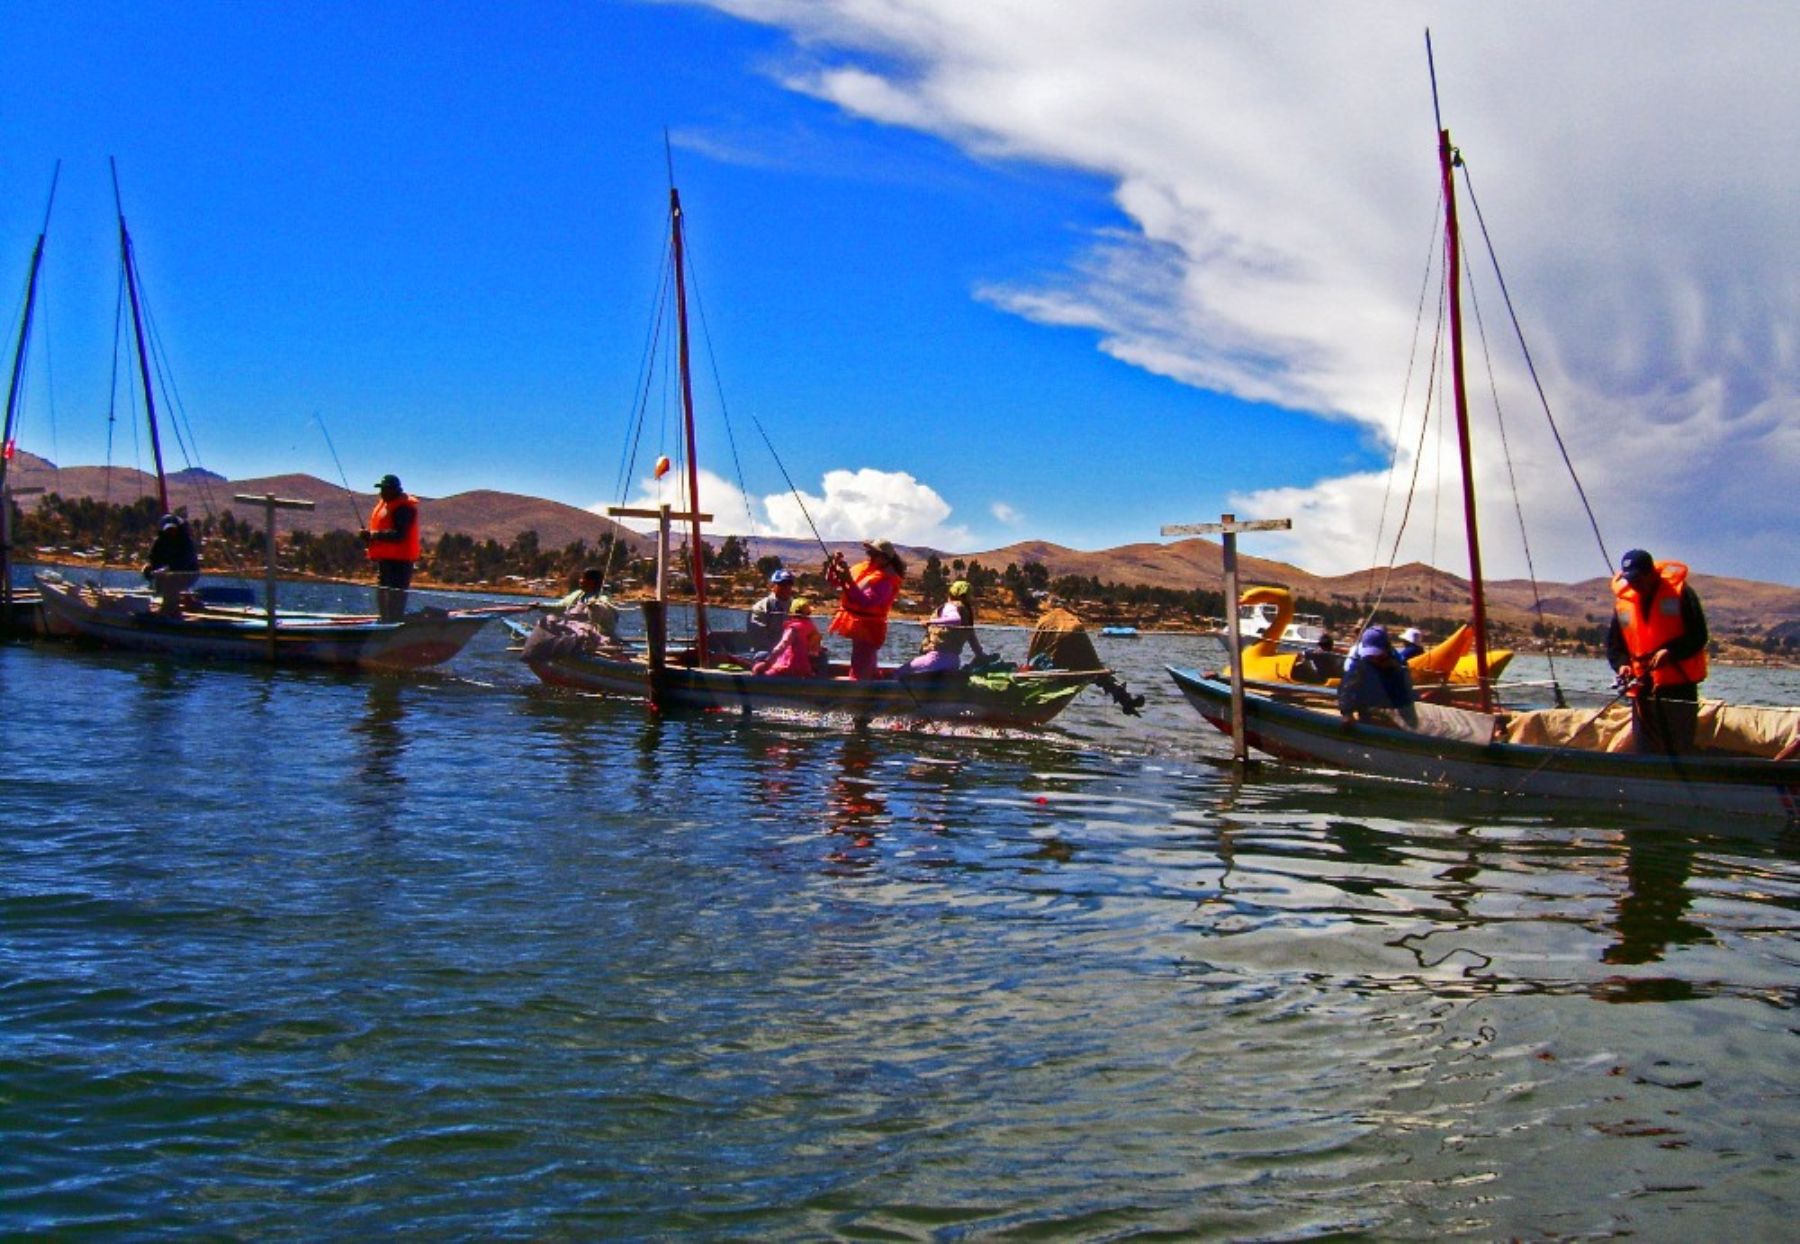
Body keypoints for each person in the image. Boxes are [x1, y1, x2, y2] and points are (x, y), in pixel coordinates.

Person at [1606, 547, 1709, 756]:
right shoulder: (1623, 603)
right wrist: (1622, 664)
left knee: (1678, 748)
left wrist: (1671, 652)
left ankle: (1679, 784)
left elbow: (1698, 635)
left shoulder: (1680, 593)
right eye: (1630, 580)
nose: (1635, 584)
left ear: (1651, 573)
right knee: (1645, 748)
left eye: (1639, 579)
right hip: (1641, 688)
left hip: (1678, 686)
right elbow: (1615, 645)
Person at [826, 539, 905, 681]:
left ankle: (859, 689)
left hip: (870, 627)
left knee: (861, 660)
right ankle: (872, 679)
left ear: (885, 558)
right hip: (858, 623)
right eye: (869, 553)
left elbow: (866, 602)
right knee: (862, 657)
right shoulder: (865, 568)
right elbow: (833, 581)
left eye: (874, 554)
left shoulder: (887, 579)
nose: (870, 557)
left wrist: (849, 580)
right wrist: (834, 565)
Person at [362, 473, 420, 623]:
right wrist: (369, 537)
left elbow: (399, 534)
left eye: (385, 489)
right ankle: (384, 622)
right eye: (381, 489)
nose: (381, 493)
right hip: (385, 560)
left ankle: (392, 624)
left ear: (395, 490)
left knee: (394, 598)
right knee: (382, 594)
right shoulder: (385, 505)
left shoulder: (403, 508)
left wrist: (374, 535)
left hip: (400, 562)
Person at [1337, 625, 1419, 727]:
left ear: (1386, 649)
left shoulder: (1398, 667)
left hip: (1393, 713)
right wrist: (1347, 713)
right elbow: (1347, 688)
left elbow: (1406, 699)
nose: (1373, 658)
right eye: (1370, 655)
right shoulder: (1361, 665)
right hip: (1368, 712)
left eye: (1378, 655)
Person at [901, 578, 987, 676]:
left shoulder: (950, 606)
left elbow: (955, 619)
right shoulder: (966, 615)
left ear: (951, 592)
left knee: (899, 673)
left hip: (936, 660)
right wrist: (981, 656)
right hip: (954, 663)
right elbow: (974, 644)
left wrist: (930, 622)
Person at [535, 566, 624, 645]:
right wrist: (539, 606)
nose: (579, 580)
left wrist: (595, 606)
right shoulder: (578, 594)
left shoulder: (603, 597)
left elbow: (605, 606)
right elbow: (560, 606)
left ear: (591, 582)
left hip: (597, 636)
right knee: (549, 620)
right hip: (575, 633)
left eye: (582, 578)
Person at [143, 513, 200, 615]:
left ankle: (171, 610)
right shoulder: (160, 541)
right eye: (168, 530)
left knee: (171, 583)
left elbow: (185, 561)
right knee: (152, 573)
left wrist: (169, 568)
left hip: (187, 573)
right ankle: (156, 598)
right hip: (165, 572)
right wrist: (151, 568)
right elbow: (153, 557)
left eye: (173, 529)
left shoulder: (186, 542)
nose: (171, 532)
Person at [752, 597, 822, 678]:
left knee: (759, 663)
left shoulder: (793, 628)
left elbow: (782, 645)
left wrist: (767, 662)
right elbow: (815, 652)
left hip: (787, 667)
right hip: (805, 668)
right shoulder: (811, 627)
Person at [744, 568, 797, 655]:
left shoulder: (796, 607)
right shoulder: (761, 608)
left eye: (789, 584)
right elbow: (759, 638)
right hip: (767, 653)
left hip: (791, 653)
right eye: (782, 584)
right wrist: (778, 653)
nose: (786, 587)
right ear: (772, 586)